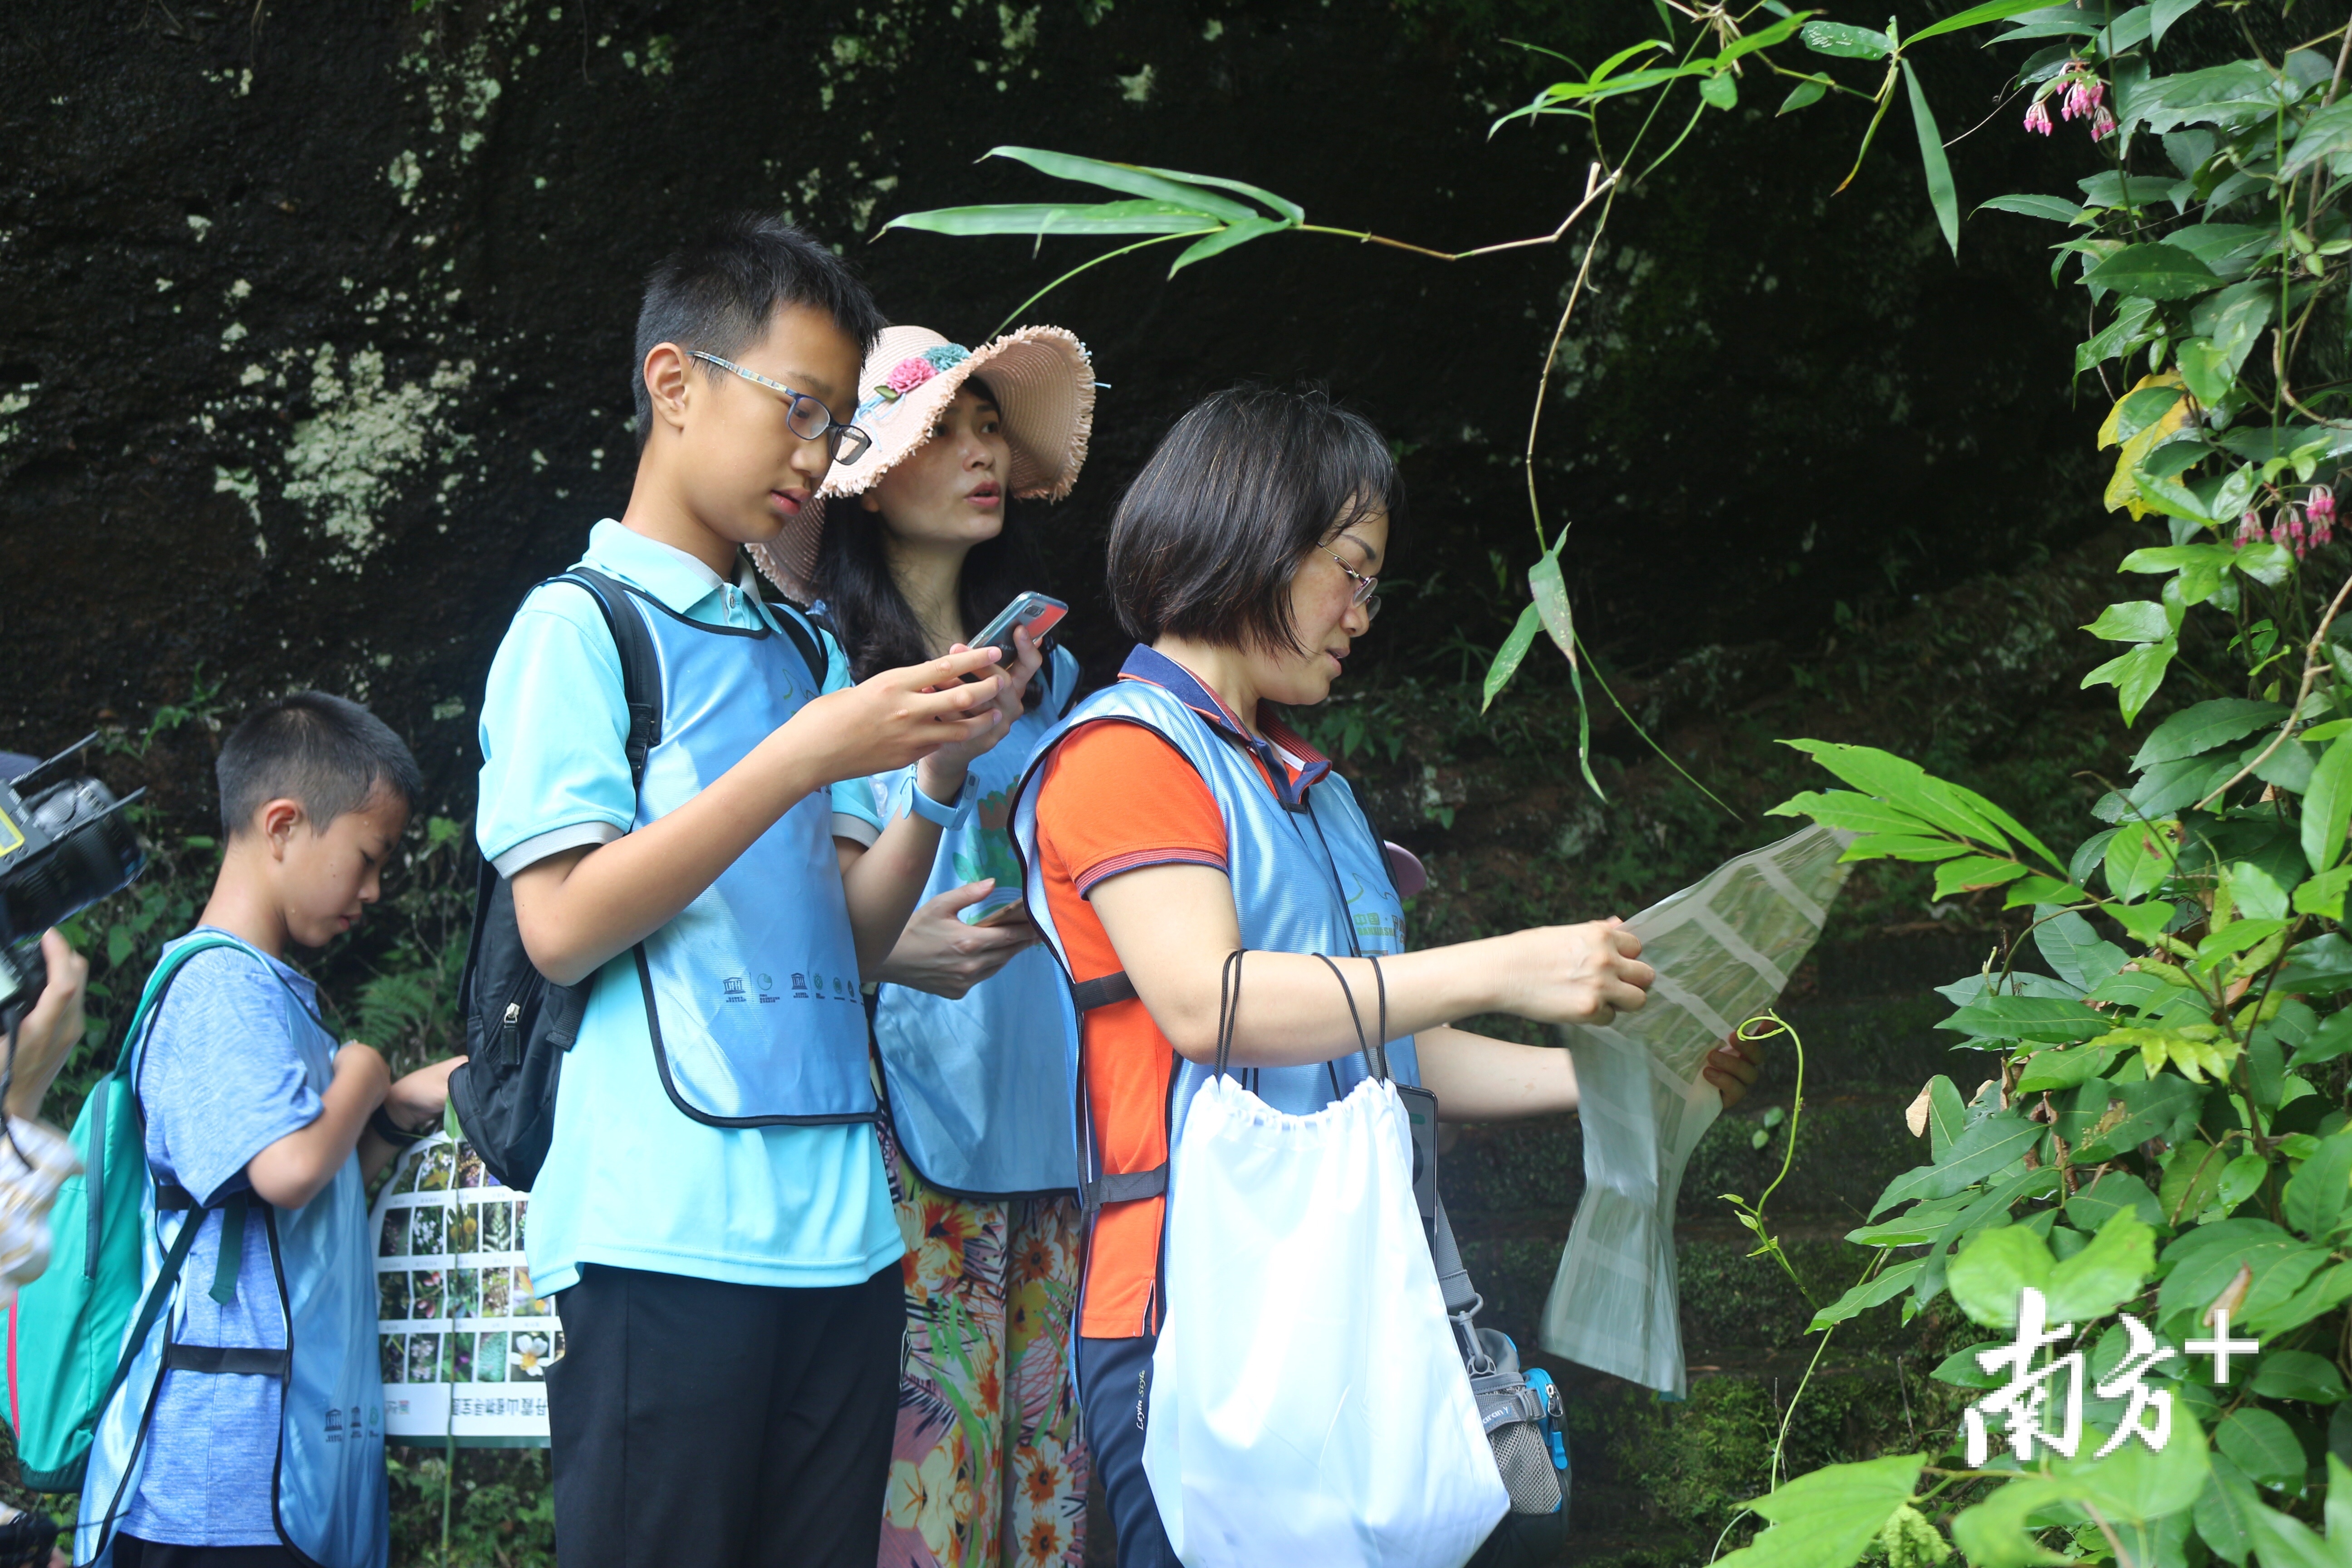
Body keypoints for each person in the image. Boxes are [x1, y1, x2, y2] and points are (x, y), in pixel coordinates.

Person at [1008, 385, 1766, 1566]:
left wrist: (1620, 1076)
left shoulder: (1314, 790)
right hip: (1199, 1310)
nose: (1362, 614)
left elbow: (1384, 1039)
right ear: (1254, 538)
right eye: (1351, 572)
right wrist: (1508, 965)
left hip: (1365, 1292)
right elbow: (1211, 1004)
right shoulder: (1123, 752)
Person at [474, 216, 1037, 1568]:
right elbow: (561, 928)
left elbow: (850, 945)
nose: (815, 455)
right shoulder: (578, 628)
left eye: (835, 425)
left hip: (844, 1236)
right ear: (674, 384)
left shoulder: (799, 646)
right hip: (662, 1232)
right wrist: (799, 759)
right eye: (798, 407)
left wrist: (938, 782)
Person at [751, 322, 1097, 1567]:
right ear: (868, 481)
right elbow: (798, 919)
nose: (979, 451)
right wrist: (895, 954)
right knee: (928, 1505)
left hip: (1057, 1124)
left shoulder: (1056, 683)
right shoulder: (825, 678)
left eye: (990, 425)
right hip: (909, 1141)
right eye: (939, 431)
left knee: (1050, 1504)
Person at [76, 692, 466, 1568]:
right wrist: (364, 1070)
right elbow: (289, 1171)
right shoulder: (220, 988)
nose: (374, 890)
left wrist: (390, 1114)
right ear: (283, 825)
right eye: (368, 858)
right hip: (212, 1484)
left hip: (272, 1468)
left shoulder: (270, 993)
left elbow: (302, 1205)